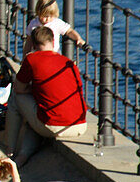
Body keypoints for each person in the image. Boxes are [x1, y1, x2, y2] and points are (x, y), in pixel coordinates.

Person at [6, 26, 89, 166]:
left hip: (53, 125)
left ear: (33, 44)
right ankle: (22, 157)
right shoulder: (68, 62)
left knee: (15, 97)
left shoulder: (32, 59)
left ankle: (9, 151)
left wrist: (34, 89)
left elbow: (19, 88)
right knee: (37, 114)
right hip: (80, 125)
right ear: (54, 40)